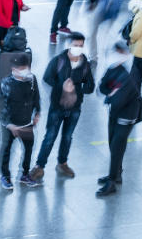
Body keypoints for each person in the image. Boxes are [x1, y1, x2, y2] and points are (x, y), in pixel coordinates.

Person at [29, 33, 94, 182]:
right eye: (75, 45)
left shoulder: (85, 64)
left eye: (80, 46)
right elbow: (47, 78)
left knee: (67, 137)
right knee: (50, 136)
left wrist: (77, 89)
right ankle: (40, 166)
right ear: (69, 45)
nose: (78, 48)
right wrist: (62, 86)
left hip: (75, 108)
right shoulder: (58, 60)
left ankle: (62, 163)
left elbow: (90, 86)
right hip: (57, 107)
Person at [96, 41, 141, 196]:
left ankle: (112, 182)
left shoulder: (130, 74)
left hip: (126, 115)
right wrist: (112, 93)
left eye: (120, 52)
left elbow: (119, 99)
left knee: (117, 146)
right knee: (112, 142)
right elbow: (101, 87)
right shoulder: (114, 67)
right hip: (114, 112)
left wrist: (110, 96)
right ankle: (115, 173)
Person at [0, 52, 41, 190]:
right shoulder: (6, 84)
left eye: (26, 67)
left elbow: (36, 97)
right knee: (6, 149)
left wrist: (37, 112)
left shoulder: (32, 79)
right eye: (21, 68)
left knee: (29, 148)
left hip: (27, 122)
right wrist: (9, 125)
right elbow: (0, 106)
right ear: (13, 69)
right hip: (10, 125)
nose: (25, 71)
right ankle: (5, 176)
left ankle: (25, 174)